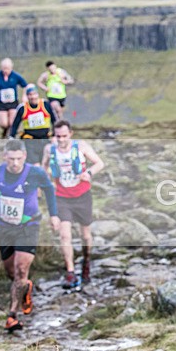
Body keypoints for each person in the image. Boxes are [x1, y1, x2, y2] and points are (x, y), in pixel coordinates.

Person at [0, 139, 60, 332]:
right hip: (5, 227)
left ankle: (12, 315)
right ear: (4, 157)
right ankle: (26, 287)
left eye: (19, 159)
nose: (15, 163)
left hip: (28, 226)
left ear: (25, 156)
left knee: (20, 269)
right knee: (11, 272)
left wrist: (54, 215)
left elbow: (49, 190)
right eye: (11, 159)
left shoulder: (35, 173)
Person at [45, 120, 104, 290]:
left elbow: (99, 163)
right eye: (58, 136)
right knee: (65, 235)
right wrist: (48, 181)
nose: (61, 140)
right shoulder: (49, 149)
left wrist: (89, 173)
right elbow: (44, 167)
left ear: (71, 134)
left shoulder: (81, 147)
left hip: (82, 196)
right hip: (61, 197)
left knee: (85, 235)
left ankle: (86, 261)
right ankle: (70, 272)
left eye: (64, 136)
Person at [9, 86, 54, 167]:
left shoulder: (45, 105)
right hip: (30, 141)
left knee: (45, 164)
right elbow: (15, 124)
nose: (33, 97)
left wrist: (55, 135)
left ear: (38, 94)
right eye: (30, 94)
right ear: (27, 96)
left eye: (34, 94)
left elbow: (54, 120)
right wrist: (11, 137)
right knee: (35, 166)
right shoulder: (22, 108)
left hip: (45, 139)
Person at [0, 58, 29, 138]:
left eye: (7, 68)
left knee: (12, 122)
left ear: (11, 68)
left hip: (13, 102)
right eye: (3, 68)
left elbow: (25, 85)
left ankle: (9, 136)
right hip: (2, 103)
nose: (5, 71)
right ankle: (5, 130)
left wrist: (24, 96)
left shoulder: (15, 76)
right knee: (4, 123)